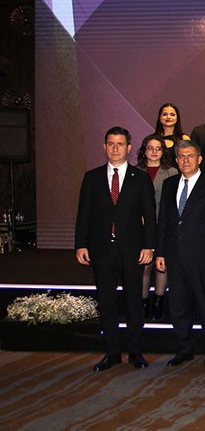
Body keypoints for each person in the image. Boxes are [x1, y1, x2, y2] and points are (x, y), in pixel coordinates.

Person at [75, 126, 156, 372]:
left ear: (129, 148)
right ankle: (112, 353)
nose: (115, 148)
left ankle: (135, 352)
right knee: (107, 302)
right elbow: (84, 214)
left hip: (132, 250)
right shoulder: (92, 178)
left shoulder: (140, 179)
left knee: (134, 302)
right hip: (101, 250)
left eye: (120, 144)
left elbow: (150, 216)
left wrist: (150, 246)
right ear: (104, 146)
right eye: (111, 144)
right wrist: (81, 244)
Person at [155, 140, 205, 367]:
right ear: (176, 160)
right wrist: (160, 252)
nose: (186, 160)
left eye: (190, 156)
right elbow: (164, 221)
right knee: (178, 305)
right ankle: (184, 349)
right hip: (174, 256)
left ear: (199, 159)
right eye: (181, 156)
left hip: (202, 257)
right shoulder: (169, 184)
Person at [136, 137, 177, 320]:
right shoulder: (135, 172)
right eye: (150, 148)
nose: (154, 152)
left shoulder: (171, 172)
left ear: (163, 151)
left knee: (162, 266)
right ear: (144, 151)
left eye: (158, 148)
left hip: (164, 225)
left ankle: (159, 302)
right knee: (144, 266)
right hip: (141, 226)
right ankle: (144, 303)